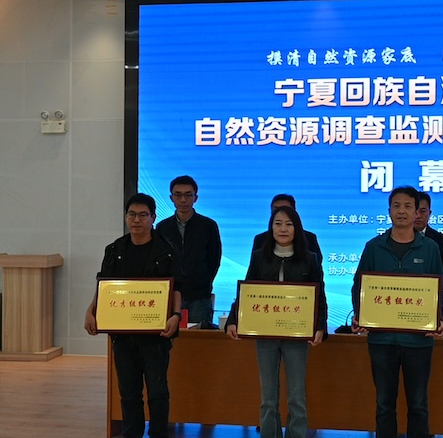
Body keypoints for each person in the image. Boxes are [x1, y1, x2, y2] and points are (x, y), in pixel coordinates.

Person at [84, 193, 183, 438]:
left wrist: (175, 315)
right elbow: (104, 285)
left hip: (155, 335)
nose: (136, 220)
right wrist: (90, 310)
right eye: (131, 214)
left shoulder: (167, 250)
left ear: (153, 218)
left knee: (157, 391)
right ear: (126, 217)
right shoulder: (114, 249)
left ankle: (158, 434)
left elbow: (177, 287)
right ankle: (132, 434)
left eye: (142, 215)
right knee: (128, 393)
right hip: (123, 334)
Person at [351, 186, 443, 438]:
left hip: (418, 341)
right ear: (389, 211)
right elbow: (359, 286)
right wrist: (360, 314)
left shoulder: (430, 248)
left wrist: (437, 319)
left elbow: (441, 290)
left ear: (417, 212)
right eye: (396, 206)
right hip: (382, 340)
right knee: (384, 405)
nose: (401, 211)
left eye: (407, 206)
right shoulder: (374, 247)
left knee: (418, 405)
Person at [226, 205, 327, 438]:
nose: (283, 229)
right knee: (268, 397)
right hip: (266, 335)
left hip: (297, 335)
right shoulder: (259, 257)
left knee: (296, 396)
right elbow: (247, 292)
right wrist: (233, 319)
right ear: (271, 228)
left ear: (297, 228)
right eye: (278, 224)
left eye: (289, 224)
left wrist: (320, 326)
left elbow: (319, 297)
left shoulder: (309, 259)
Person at [155, 175, 221, 324]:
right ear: (171, 198)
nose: (183, 200)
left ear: (195, 198)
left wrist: (204, 282)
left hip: (199, 296)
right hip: (170, 296)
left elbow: (214, 260)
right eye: (178, 195)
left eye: (188, 195)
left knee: (198, 336)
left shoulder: (208, 226)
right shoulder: (162, 227)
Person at [413, 192, 443, 326]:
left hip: (432, 308)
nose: (418, 216)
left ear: (430, 213)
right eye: (415, 211)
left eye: (423, 211)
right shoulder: (392, 240)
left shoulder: (441, 241)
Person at [253, 194, 322, 267]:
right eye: (276, 209)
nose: (281, 212)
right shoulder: (260, 240)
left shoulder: (309, 238)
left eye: (285, 208)